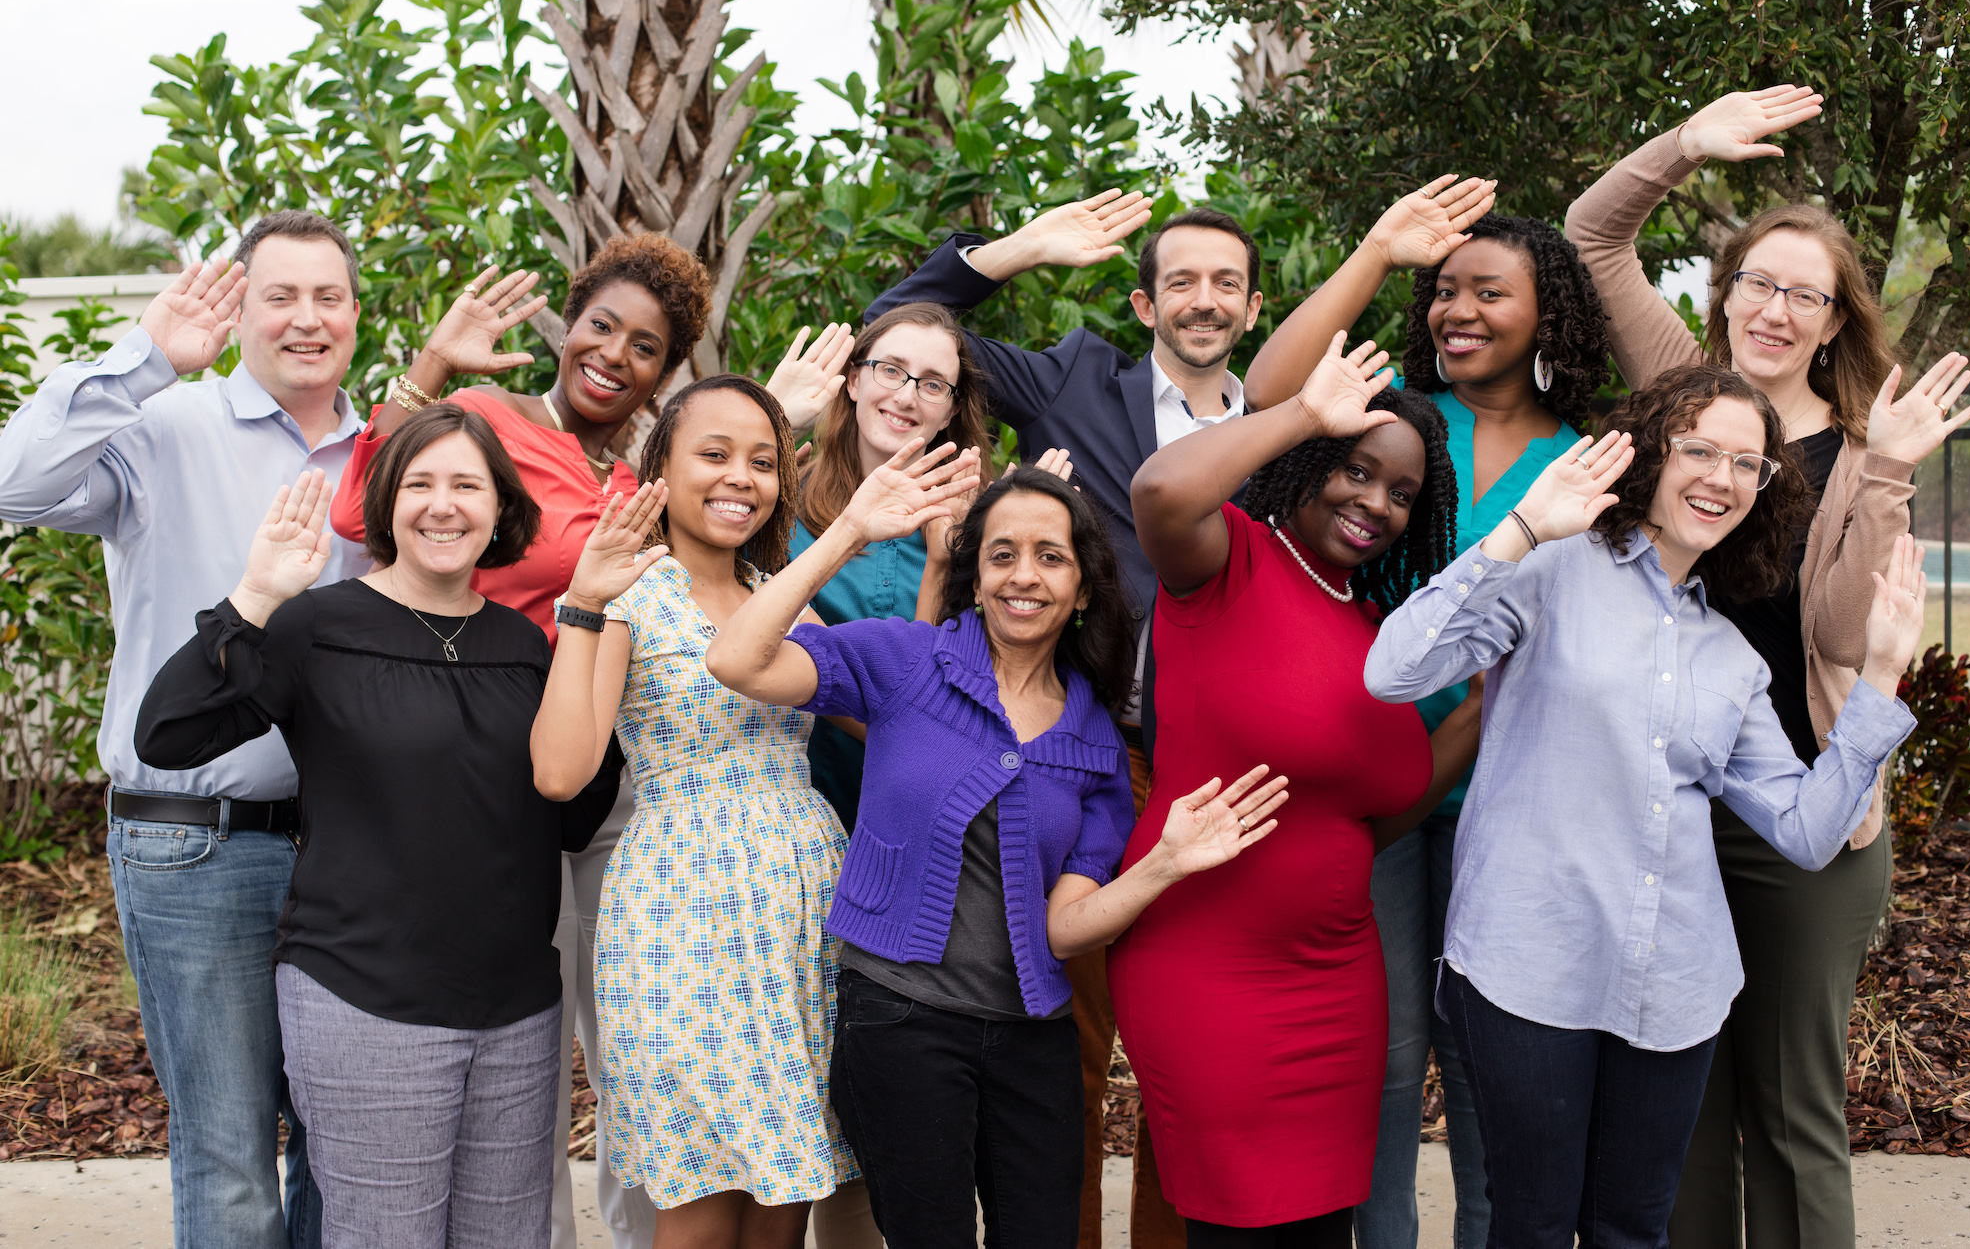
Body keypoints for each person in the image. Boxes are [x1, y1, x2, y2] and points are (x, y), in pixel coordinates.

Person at [323, 237, 849, 1249]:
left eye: (645, 345)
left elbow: (842, 655)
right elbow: (366, 513)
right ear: (565, 327)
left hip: (754, 884)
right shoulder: (504, 431)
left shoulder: (669, 507)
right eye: (600, 326)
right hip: (567, 796)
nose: (614, 353)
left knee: (761, 1171)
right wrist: (429, 368)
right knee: (599, 1094)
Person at [1364, 364, 1926, 1248]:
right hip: (1529, 968)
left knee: (1633, 1229)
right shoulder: (1552, 568)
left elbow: (1809, 832)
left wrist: (1882, 676)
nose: (1722, 477)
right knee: (1535, 1225)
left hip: (1674, 989)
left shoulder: (1730, 656)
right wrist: (1521, 527)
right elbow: (1393, 671)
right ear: (1651, 454)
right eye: (1700, 448)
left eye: (1749, 464)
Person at [1564, 85, 1970, 1249]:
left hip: (1807, 811)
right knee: (1680, 1099)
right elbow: (1592, 235)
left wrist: (1889, 474)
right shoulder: (1680, 388)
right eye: (1759, 281)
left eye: (1806, 294)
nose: (1777, 308)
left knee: (1792, 1110)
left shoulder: (1858, 454)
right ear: (1725, 292)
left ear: (1834, 320)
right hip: (1668, 808)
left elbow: (1843, 636)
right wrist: (1682, 144)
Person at [705, 446, 1289, 1249]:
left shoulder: (1093, 736)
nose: (1024, 575)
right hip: (899, 1021)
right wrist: (846, 532)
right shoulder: (906, 660)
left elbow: (1063, 929)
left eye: (1050, 556)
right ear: (972, 574)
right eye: (1002, 554)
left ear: (1082, 585)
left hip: (1031, 1037)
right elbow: (735, 659)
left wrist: (1165, 863)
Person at [869, 188, 1264, 1246]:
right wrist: (1018, 250)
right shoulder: (1076, 380)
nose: (1201, 299)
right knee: (1072, 1055)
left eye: (1223, 282)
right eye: (1179, 279)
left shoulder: (1277, 425)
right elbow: (893, 329)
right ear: (1143, 303)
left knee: (1188, 1064)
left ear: (1253, 306)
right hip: (1089, 763)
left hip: (1217, 783)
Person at [134, 405, 616, 1248]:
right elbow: (168, 735)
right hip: (365, 998)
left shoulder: (527, 643)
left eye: (467, 484)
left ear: (500, 509)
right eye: (421, 483)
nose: (443, 504)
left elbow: (573, 814)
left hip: (518, 1007)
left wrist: (596, 648)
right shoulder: (316, 627)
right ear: (387, 502)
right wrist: (254, 597)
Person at [0, 210, 388, 1249]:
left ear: (356, 311)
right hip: (192, 842)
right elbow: (12, 484)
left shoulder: (388, 451)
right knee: (226, 1157)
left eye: (328, 296)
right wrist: (142, 361)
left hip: (349, 848)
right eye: (280, 296)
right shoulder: (164, 426)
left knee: (340, 1145)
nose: (307, 319)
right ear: (241, 308)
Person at [1242, 179, 1611, 1249]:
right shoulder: (1398, 418)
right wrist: (1375, 251)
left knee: (1494, 1063)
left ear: (1547, 312)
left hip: (1515, 801)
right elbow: (1268, 388)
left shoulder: (1584, 460)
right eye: (1442, 290)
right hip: (1381, 788)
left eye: (1486, 292)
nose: (1456, 309)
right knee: (1387, 1058)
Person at [1114, 334, 1478, 1246]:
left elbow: (1384, 808)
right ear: (1309, 462)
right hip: (1209, 971)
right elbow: (1158, 489)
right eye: (1356, 470)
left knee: (1321, 1230)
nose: (1376, 505)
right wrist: (1301, 414)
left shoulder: (1374, 630)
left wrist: (1487, 701)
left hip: (1339, 982)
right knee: (1238, 1228)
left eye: (1402, 494)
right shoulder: (1225, 559)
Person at [529, 374, 865, 1249]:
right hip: (682, 912)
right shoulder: (631, 593)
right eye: (713, 455)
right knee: (700, 1199)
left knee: (781, 1187)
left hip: (798, 904)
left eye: (760, 461)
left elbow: (880, 707)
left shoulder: (778, 588)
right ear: (662, 472)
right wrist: (586, 603)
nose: (739, 478)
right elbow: (563, 772)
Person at [791, 300, 998, 829]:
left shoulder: (982, 522)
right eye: (891, 370)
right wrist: (774, 413)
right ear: (854, 380)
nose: (906, 396)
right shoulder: (782, 504)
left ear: (951, 411)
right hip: (795, 809)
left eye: (932, 384)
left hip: (926, 815)